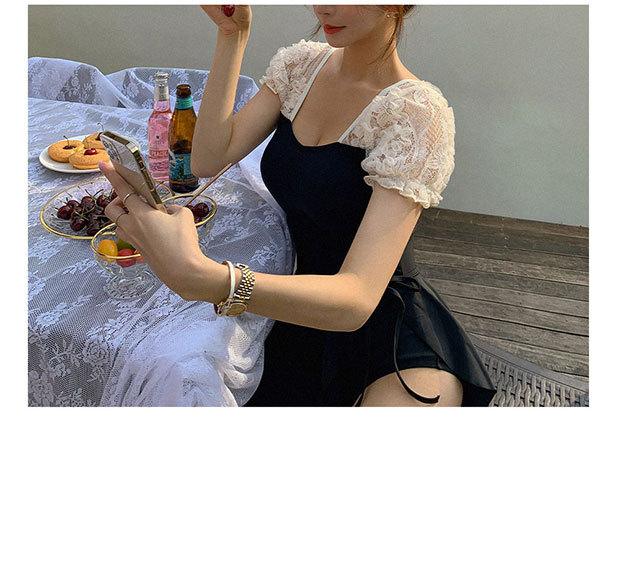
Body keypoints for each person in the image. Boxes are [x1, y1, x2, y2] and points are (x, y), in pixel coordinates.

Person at [99, 5, 497, 407]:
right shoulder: (301, 67)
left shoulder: (416, 114)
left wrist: (205, 278)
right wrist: (232, 37)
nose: (324, 6)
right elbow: (207, 159)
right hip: (292, 306)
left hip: (388, 332)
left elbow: (357, 299)